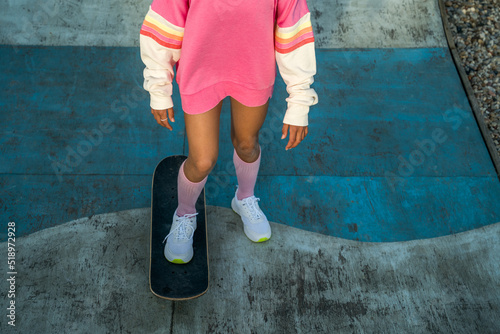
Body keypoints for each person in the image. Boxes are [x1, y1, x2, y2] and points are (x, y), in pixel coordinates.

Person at [140, 0, 318, 264]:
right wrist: (158, 86)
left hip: (253, 70)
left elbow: (293, 30)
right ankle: (185, 212)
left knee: (247, 144)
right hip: (200, 69)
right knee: (202, 160)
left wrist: (300, 101)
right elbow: (166, 20)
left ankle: (244, 197)